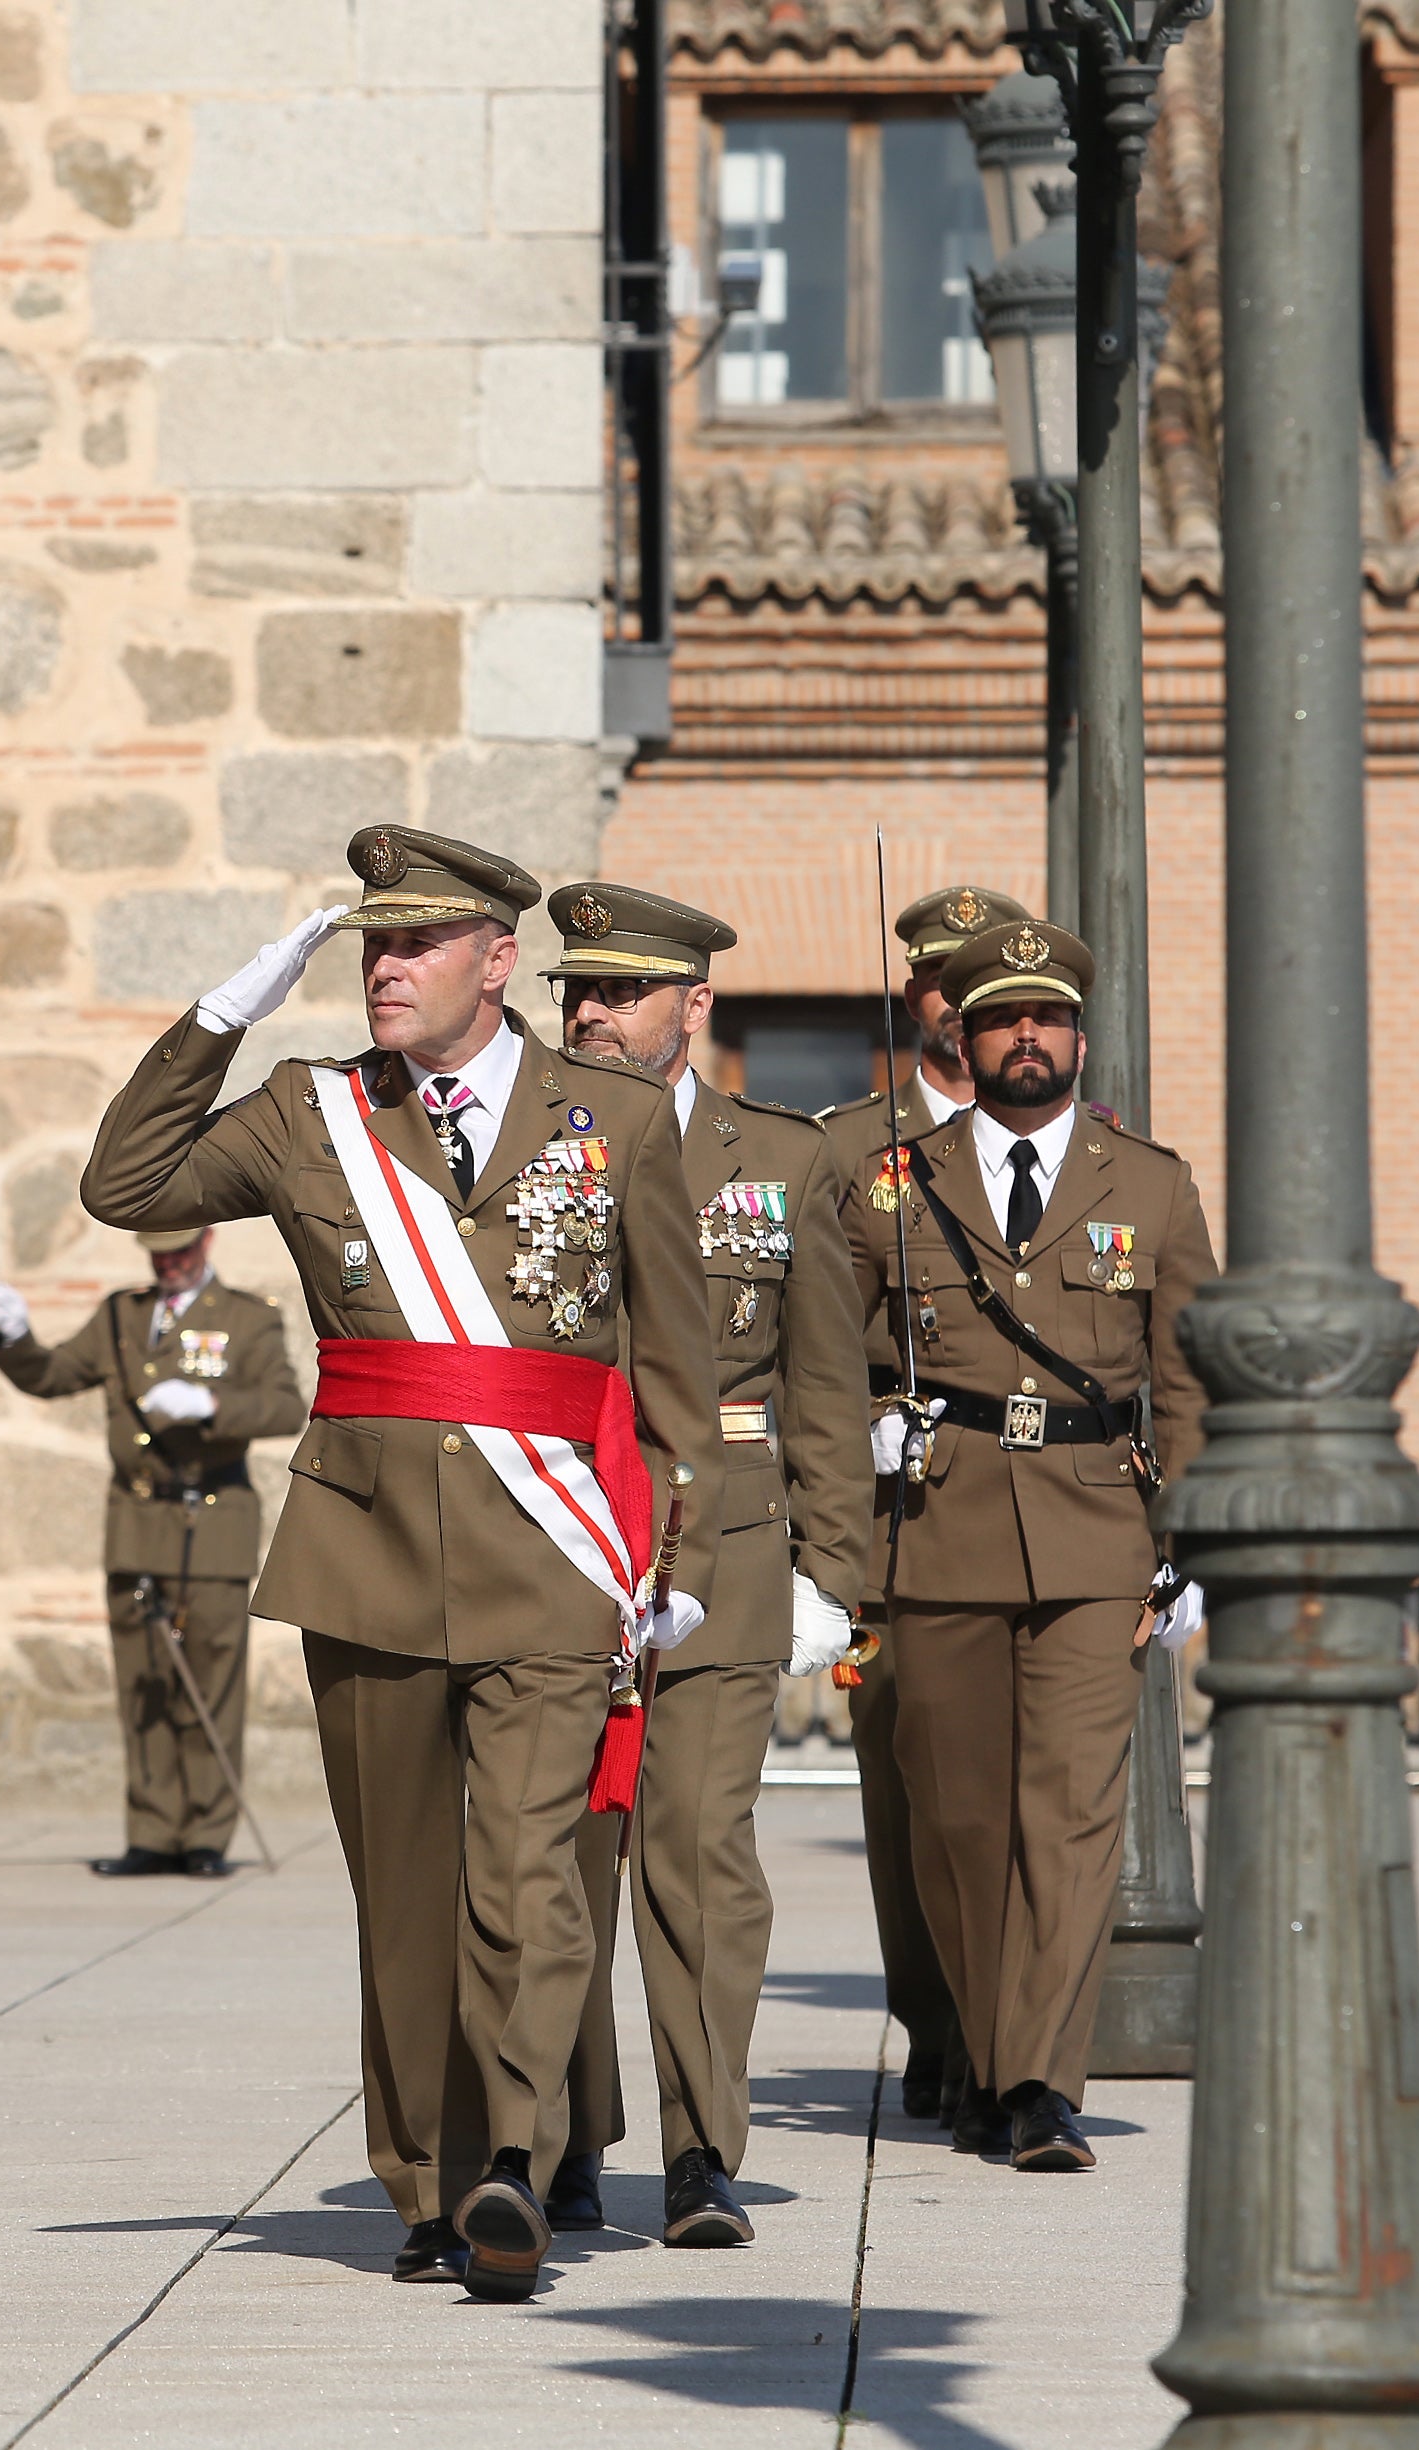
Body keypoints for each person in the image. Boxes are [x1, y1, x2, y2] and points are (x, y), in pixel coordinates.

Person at [80, 824, 721, 2304]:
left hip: (556, 1553)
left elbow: (677, 1371)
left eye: (417, 944)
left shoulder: (614, 1117)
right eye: (372, 944)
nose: (386, 967)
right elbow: (129, 1185)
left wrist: (668, 1553)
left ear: (498, 962)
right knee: (408, 1887)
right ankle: (426, 2186)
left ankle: (514, 2154)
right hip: (367, 1550)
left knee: (529, 1871)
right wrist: (221, 1014)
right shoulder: (312, 1114)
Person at [836, 918, 1213, 2173]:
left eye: (1048, 1018)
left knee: (1069, 1815)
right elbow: (829, 1357)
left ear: (1076, 1036)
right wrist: (860, 1456)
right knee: (956, 1822)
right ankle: (992, 2054)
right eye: (1002, 1019)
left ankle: (1041, 2082)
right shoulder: (892, 1178)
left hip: (1098, 1529)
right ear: (966, 1035)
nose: (1027, 1037)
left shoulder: (1147, 1182)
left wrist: (1192, 1536)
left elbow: (1191, 1382)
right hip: (936, 1530)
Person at [533, 883, 874, 2246]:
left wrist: (829, 1569)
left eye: (621, 992)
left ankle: (701, 2150)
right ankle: (558, 2139)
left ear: (695, 1006)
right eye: (577, 991)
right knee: (559, 1850)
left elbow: (830, 1383)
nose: (594, 1015)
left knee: (695, 1848)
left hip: (725, 1544)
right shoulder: (527, 1148)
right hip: (561, 1532)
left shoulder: (780, 1162)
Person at [816, 881, 1027, 2126]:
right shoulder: (850, 1148)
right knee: (908, 1791)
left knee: (1024, 1789)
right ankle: (937, 2018)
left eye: (983, 982)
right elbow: (807, 1341)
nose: (960, 1002)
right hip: (896, 1523)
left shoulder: (1068, 1132)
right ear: (919, 1001)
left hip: (1033, 1510)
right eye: (943, 981)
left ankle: (1013, 2028)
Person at [0, 1225, 303, 1878]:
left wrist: (210, 1403)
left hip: (211, 1519)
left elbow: (284, 1406)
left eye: (182, 1250)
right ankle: (153, 1831)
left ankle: (206, 1834)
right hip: (137, 1520)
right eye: (160, 1254)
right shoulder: (122, 1315)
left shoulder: (247, 1317)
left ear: (207, 1241)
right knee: (145, 1683)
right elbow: (52, 1376)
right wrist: (16, 1341)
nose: (171, 1264)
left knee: (210, 1682)